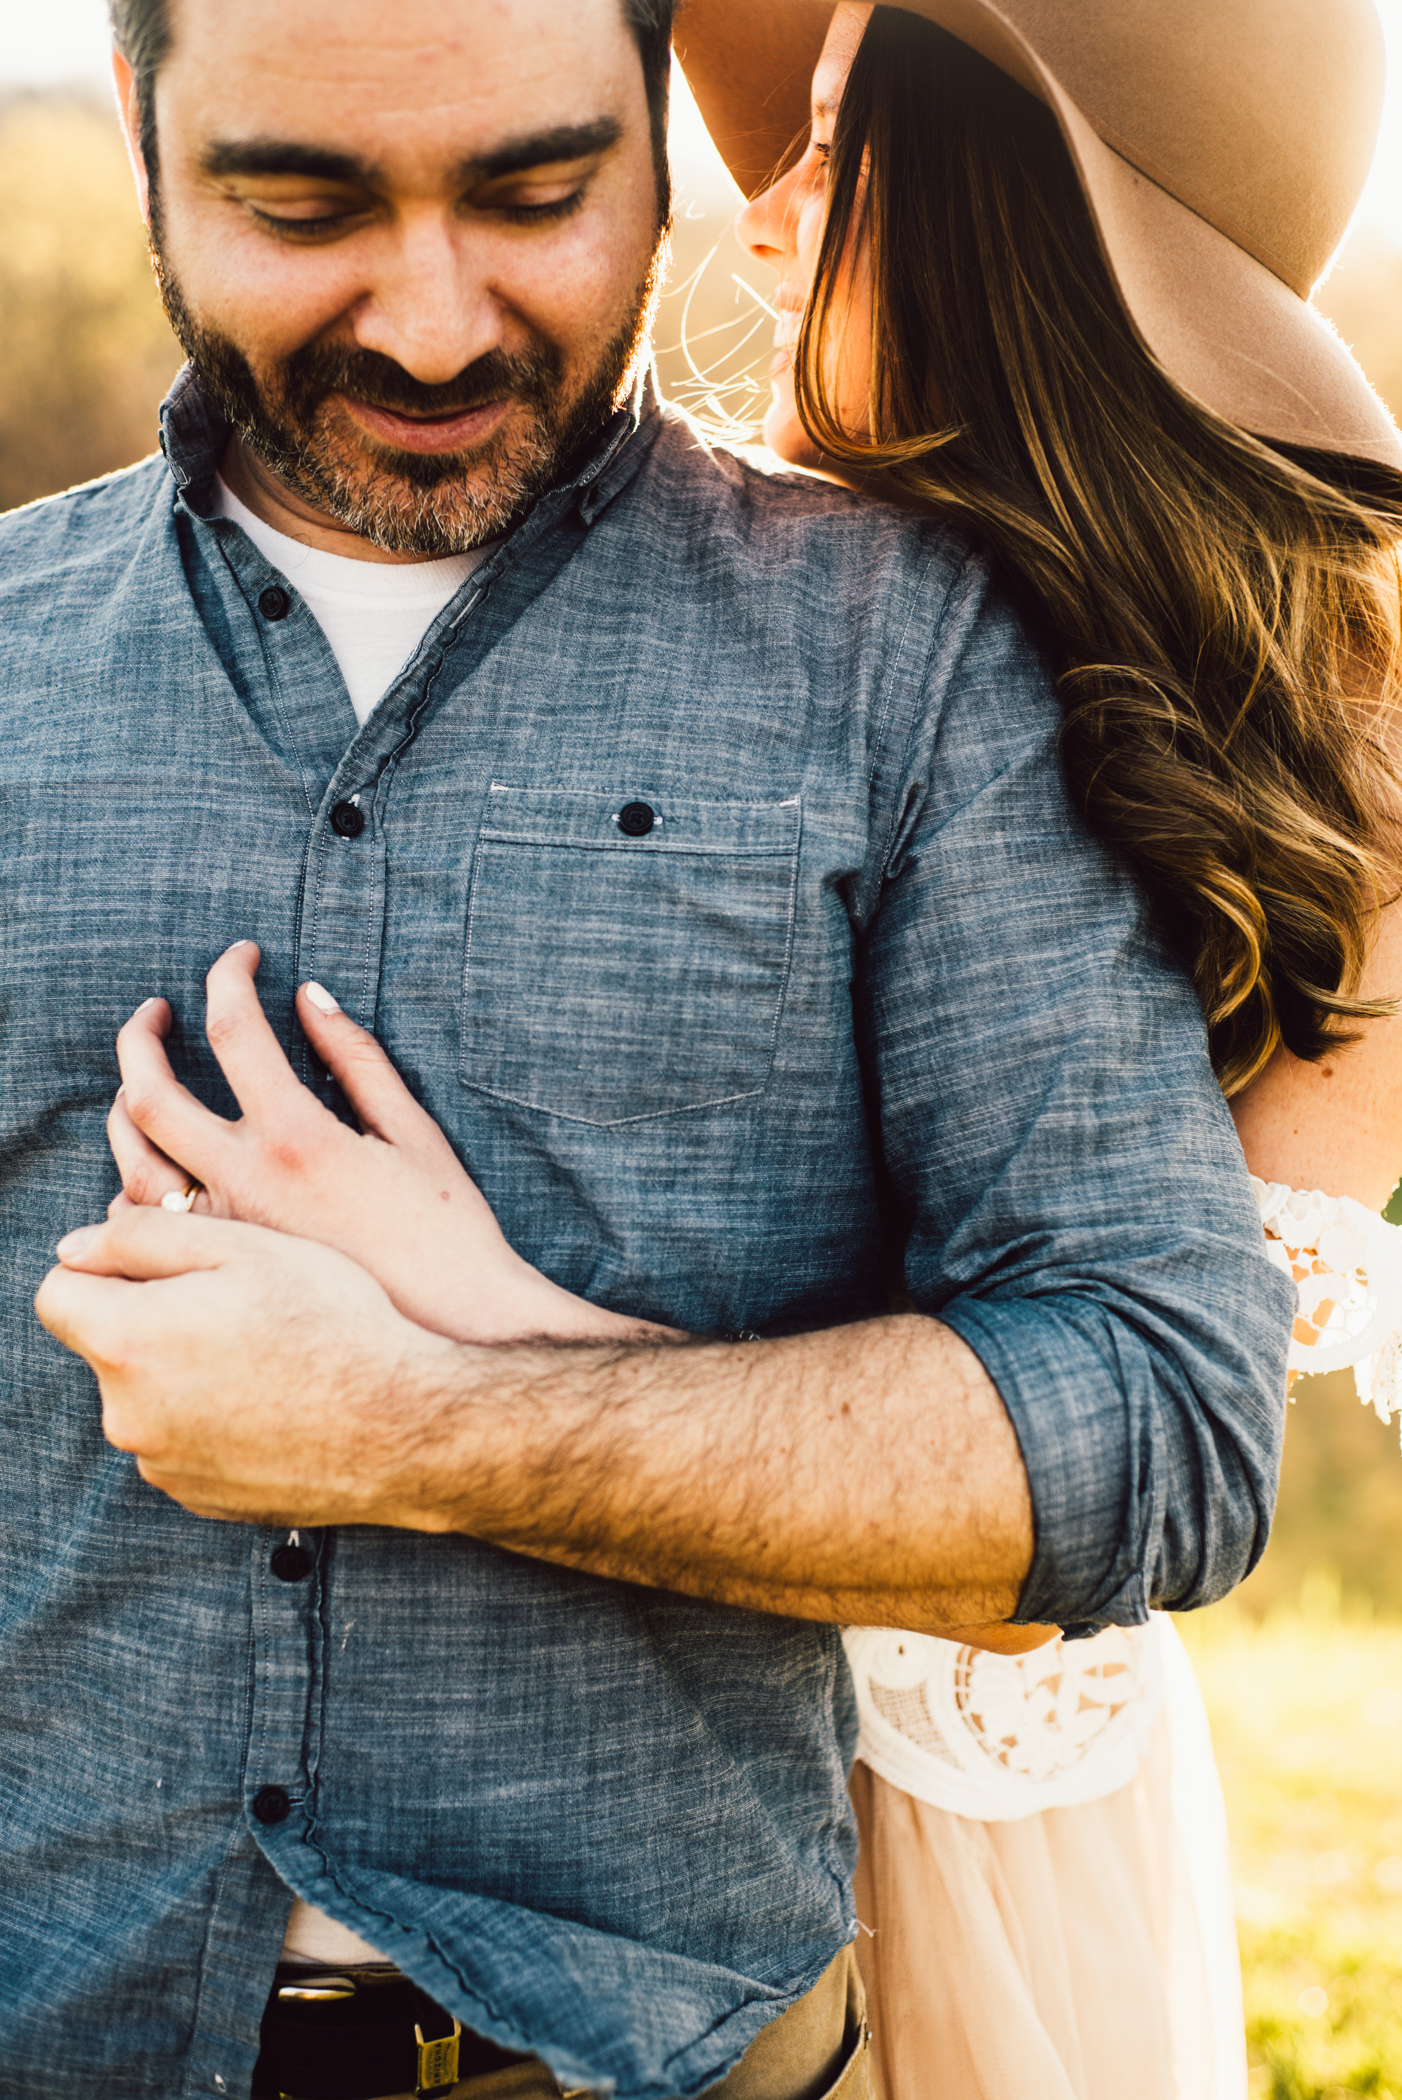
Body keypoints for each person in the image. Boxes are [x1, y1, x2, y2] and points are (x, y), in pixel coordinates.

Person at [8, 0, 1294, 2095]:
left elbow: (1156, 1430)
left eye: (534, 193)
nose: (431, 327)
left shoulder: (917, 662)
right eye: (302, 202)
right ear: (142, 122)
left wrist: (408, 1417)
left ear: (658, 129)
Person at [667, 4, 1402, 2096]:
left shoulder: (1335, 772)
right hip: (625, 1758)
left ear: (1015, 215)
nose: (753, 235)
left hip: (982, 1831)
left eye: (826, 158)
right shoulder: (697, 620)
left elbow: (1065, 1520)